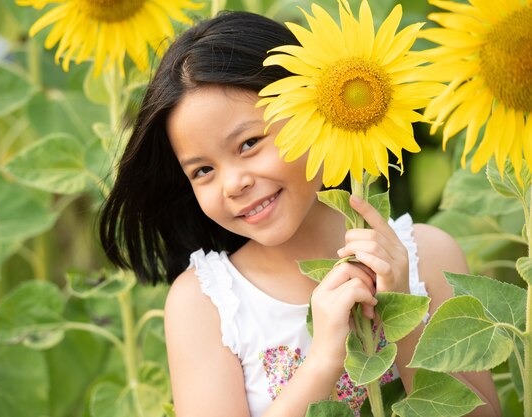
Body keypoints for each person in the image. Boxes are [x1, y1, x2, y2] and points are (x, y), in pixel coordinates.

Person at [99, 10, 500, 417]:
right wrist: (323, 361)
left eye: (249, 143)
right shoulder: (205, 305)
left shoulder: (427, 257)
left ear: (314, 113)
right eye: (203, 170)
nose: (232, 183)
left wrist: (404, 314)